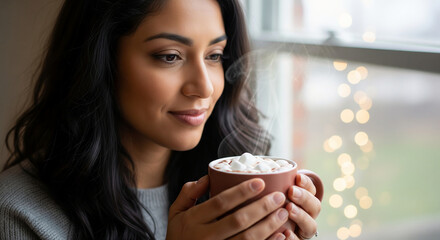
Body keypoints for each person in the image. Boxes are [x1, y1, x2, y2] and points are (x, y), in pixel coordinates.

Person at [0, 0, 322, 239]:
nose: (204, 87)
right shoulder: (20, 214)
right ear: (102, 63)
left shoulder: (231, 189)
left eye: (214, 56)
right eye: (170, 56)